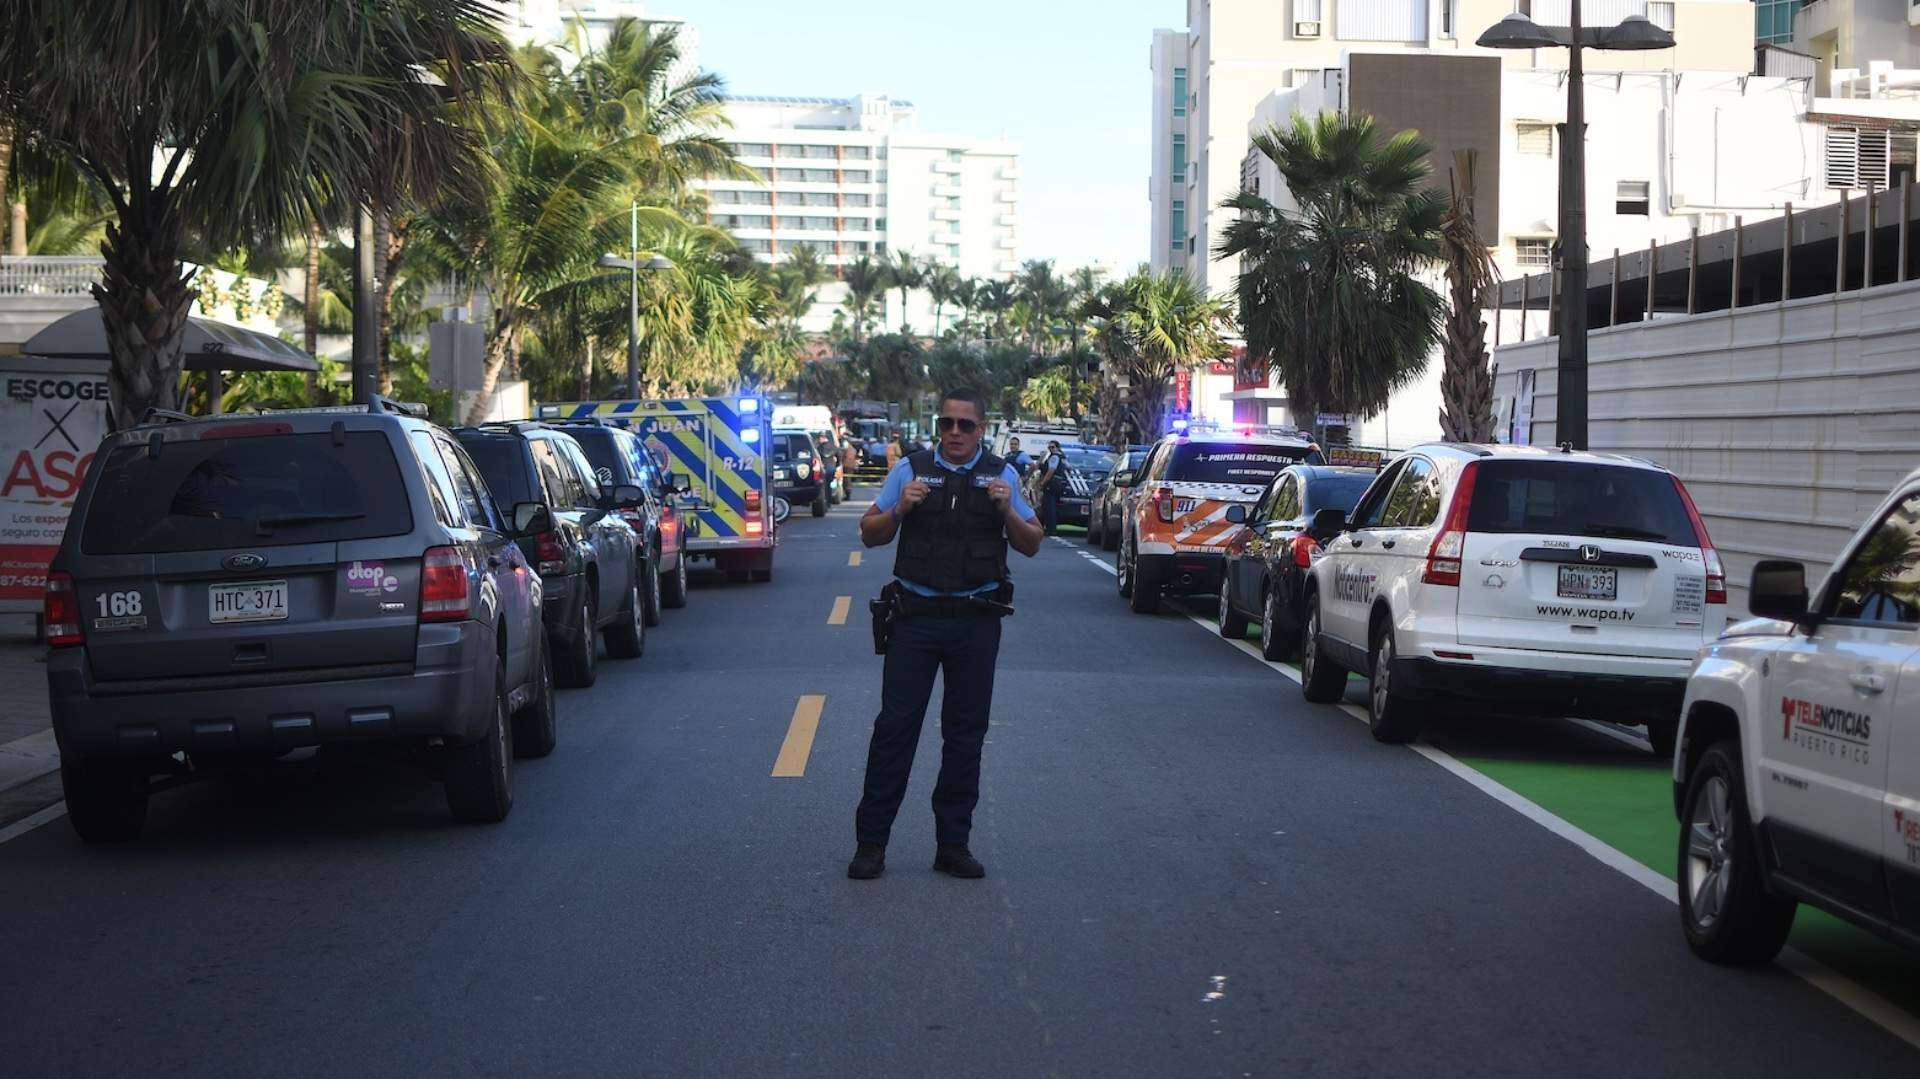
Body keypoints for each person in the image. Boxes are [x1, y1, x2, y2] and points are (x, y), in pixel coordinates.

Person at [849, 388, 1044, 881]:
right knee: (895, 731)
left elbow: (1033, 543)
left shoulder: (1003, 475)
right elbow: (870, 533)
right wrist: (899, 511)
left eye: (965, 425)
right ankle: (871, 844)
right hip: (915, 620)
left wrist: (1006, 512)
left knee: (965, 736)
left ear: (982, 429)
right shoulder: (910, 470)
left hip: (976, 623)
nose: (955, 433)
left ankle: (952, 845)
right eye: (947, 424)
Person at [1035, 440, 1069, 536]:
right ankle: (1051, 528)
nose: (1051, 449)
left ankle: (1051, 529)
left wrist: (1042, 482)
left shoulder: (1054, 457)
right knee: (1050, 505)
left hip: (1052, 483)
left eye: (1053, 447)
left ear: (1057, 447)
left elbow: (1051, 471)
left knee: (1049, 507)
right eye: (1049, 447)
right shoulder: (1062, 457)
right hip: (1057, 483)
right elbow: (1069, 468)